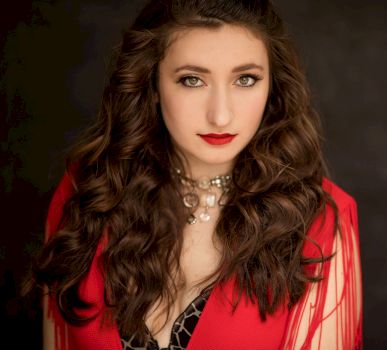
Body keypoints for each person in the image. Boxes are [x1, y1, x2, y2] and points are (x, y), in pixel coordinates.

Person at [28, 0, 363, 349]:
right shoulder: (88, 194)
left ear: (273, 87)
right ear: (152, 84)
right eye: (192, 80)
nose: (220, 115)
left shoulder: (322, 224)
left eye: (245, 79)